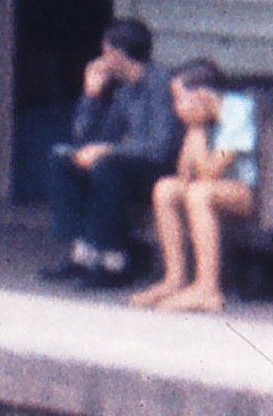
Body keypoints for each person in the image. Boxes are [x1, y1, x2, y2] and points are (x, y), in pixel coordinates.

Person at [43, 18, 178, 281]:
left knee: (107, 165)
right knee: (62, 157)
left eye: (104, 52)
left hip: (160, 170)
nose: (102, 59)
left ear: (115, 54)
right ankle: (83, 253)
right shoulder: (125, 89)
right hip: (128, 166)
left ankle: (115, 261)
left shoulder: (161, 83)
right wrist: (91, 95)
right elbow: (87, 138)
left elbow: (160, 147)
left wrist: (108, 150)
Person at [133, 60, 259, 312]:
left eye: (180, 100)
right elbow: (184, 174)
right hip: (229, 189)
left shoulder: (238, 112)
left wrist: (197, 129)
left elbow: (208, 174)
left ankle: (207, 289)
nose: (177, 108)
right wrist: (194, 130)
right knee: (166, 188)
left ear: (202, 95)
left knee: (200, 193)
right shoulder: (206, 118)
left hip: (271, 196)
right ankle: (175, 278)